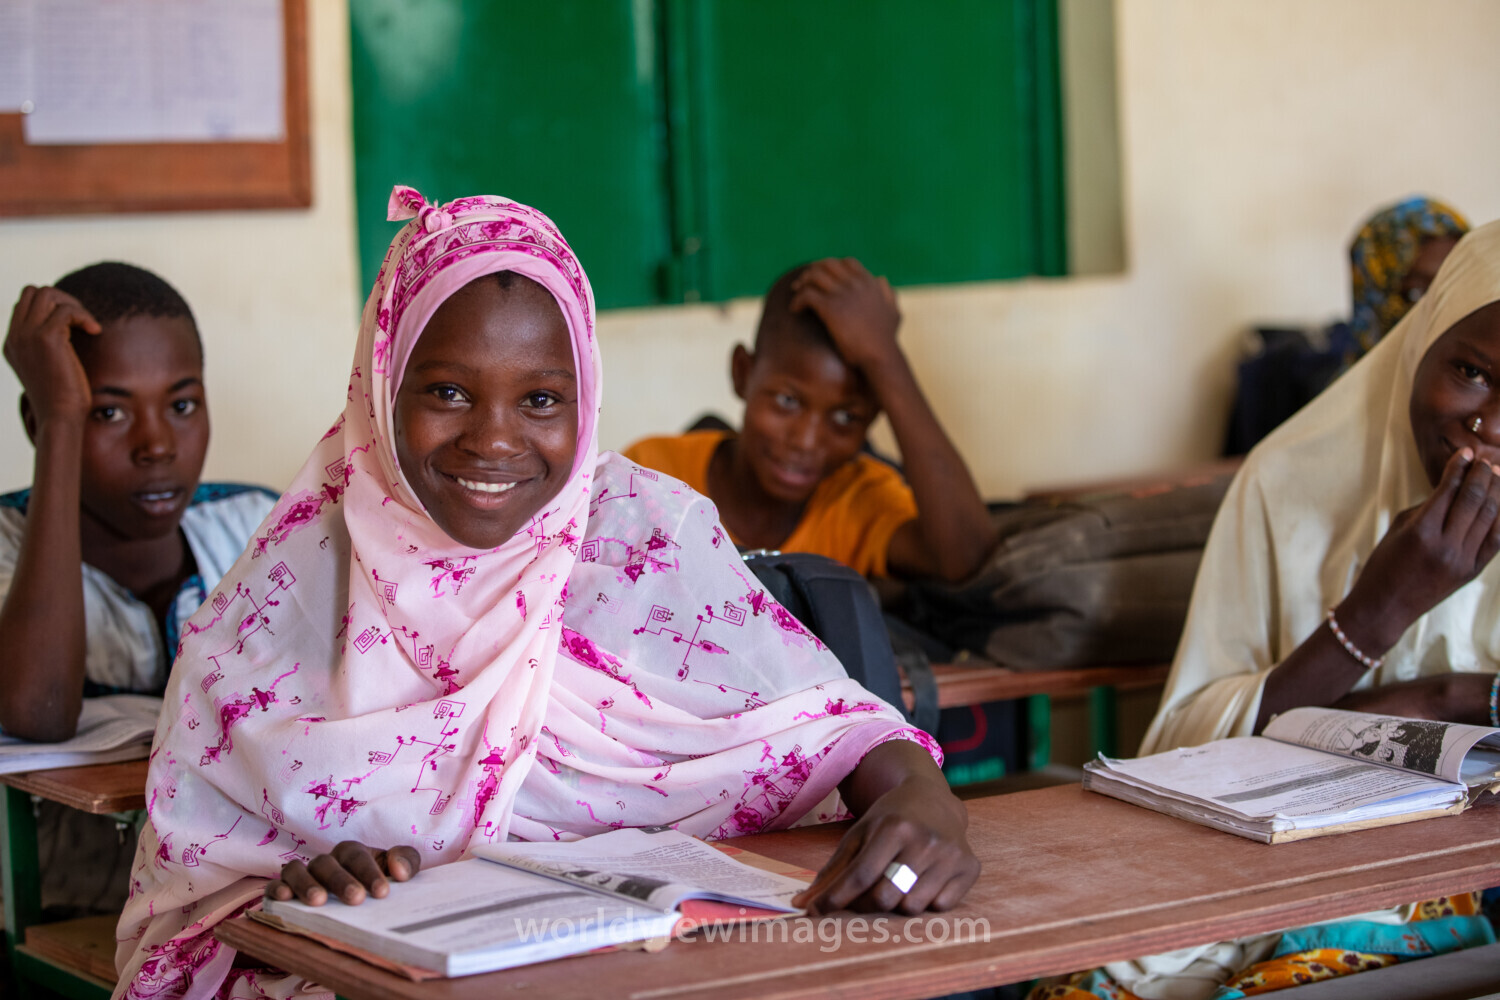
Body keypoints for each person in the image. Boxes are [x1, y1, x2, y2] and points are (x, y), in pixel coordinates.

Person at [113, 189, 978, 999]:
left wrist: (920, 796)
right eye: (447, 392)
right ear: (381, 388)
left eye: (540, 399)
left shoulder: (641, 537)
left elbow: (828, 723)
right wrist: (292, 891)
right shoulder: (285, 593)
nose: (494, 439)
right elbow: (197, 900)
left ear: (586, 399)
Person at [1038, 222, 1500, 1000]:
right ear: (1418, 339)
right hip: (1271, 871)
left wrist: (1436, 698)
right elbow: (1180, 756)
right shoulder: (1287, 482)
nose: (1487, 428)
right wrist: (1384, 609)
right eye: (1470, 371)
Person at [1, 265, 276, 921]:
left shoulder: (259, 527)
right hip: (54, 904)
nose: (156, 446)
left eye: (182, 406)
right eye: (108, 412)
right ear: (38, 420)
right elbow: (36, 714)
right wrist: (62, 426)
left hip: (232, 888)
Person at [624, 258, 996, 581]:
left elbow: (965, 558)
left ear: (874, 417)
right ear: (742, 373)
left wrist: (887, 358)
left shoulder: (857, 499)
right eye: (787, 401)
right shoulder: (652, 474)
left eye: (846, 416)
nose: (806, 440)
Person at [1348, 195, 1470, 360]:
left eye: (1458, 285)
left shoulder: (1482, 376)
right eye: (1415, 293)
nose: (1445, 306)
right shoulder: (1351, 385)